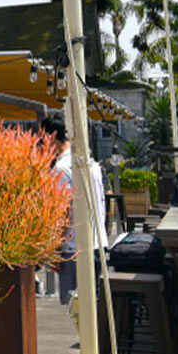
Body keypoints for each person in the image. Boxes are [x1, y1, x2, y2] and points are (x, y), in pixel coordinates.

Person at [39, 115, 109, 306]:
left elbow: (64, 212)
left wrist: (54, 250)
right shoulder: (91, 163)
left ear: (51, 138)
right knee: (94, 307)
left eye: (42, 139)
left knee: (74, 307)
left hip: (74, 248)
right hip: (98, 242)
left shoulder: (61, 169)